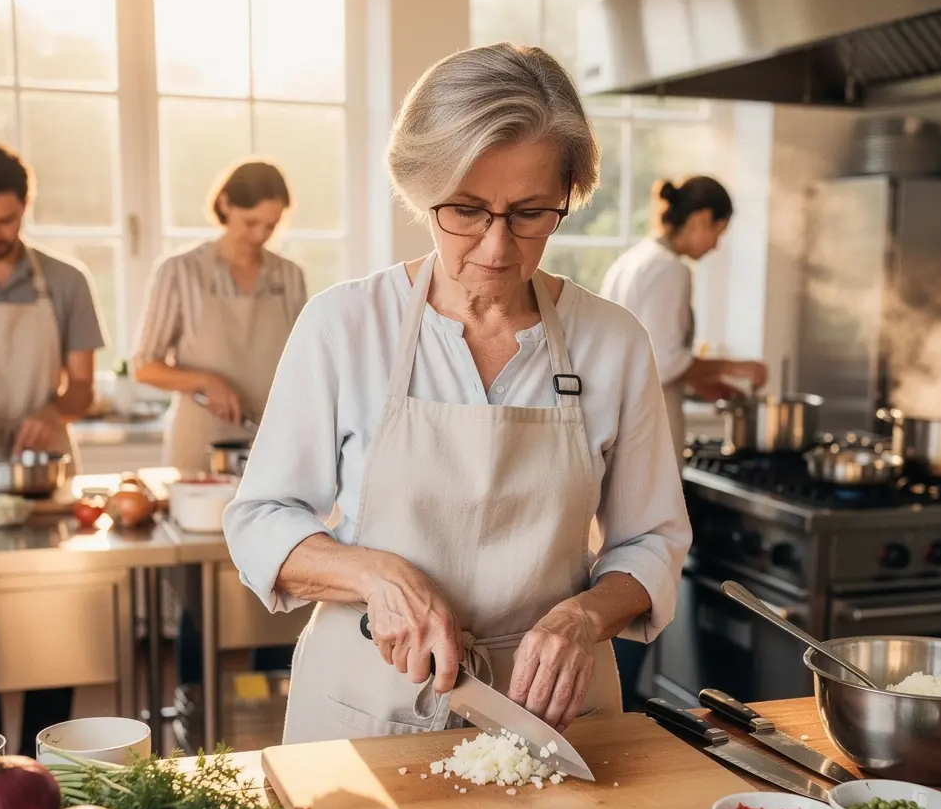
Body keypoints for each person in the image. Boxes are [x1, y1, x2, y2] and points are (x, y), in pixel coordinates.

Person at [223, 43, 693, 745]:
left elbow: (651, 540)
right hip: (367, 708)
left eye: (531, 213)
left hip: (551, 716)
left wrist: (585, 617)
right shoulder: (346, 323)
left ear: (568, 195)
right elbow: (260, 519)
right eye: (467, 211)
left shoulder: (612, 341)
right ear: (420, 189)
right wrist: (376, 576)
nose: (498, 248)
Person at [132, 160, 307, 691]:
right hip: (199, 450)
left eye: (271, 226)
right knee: (201, 595)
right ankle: (194, 706)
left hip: (272, 448)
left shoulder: (288, 277)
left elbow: (305, 362)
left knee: (275, 576)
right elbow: (145, 364)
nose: (260, 235)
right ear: (226, 206)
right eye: (250, 222)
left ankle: (265, 705)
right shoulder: (178, 272)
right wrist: (205, 379)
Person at [600, 175, 768, 711]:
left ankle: (618, 700)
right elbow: (664, 359)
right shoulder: (670, 270)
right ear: (700, 221)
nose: (715, 243)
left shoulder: (633, 260)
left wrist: (703, 381)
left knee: (621, 564)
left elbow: (648, 359)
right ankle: (622, 707)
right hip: (645, 445)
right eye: (718, 230)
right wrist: (738, 366)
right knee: (641, 566)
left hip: (618, 434)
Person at [0, 143, 106, 751]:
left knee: (51, 644)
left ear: (25, 209)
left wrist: (51, 411)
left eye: (4, 220)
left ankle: (47, 770)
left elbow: (82, 388)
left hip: (45, 479)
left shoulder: (65, 281)